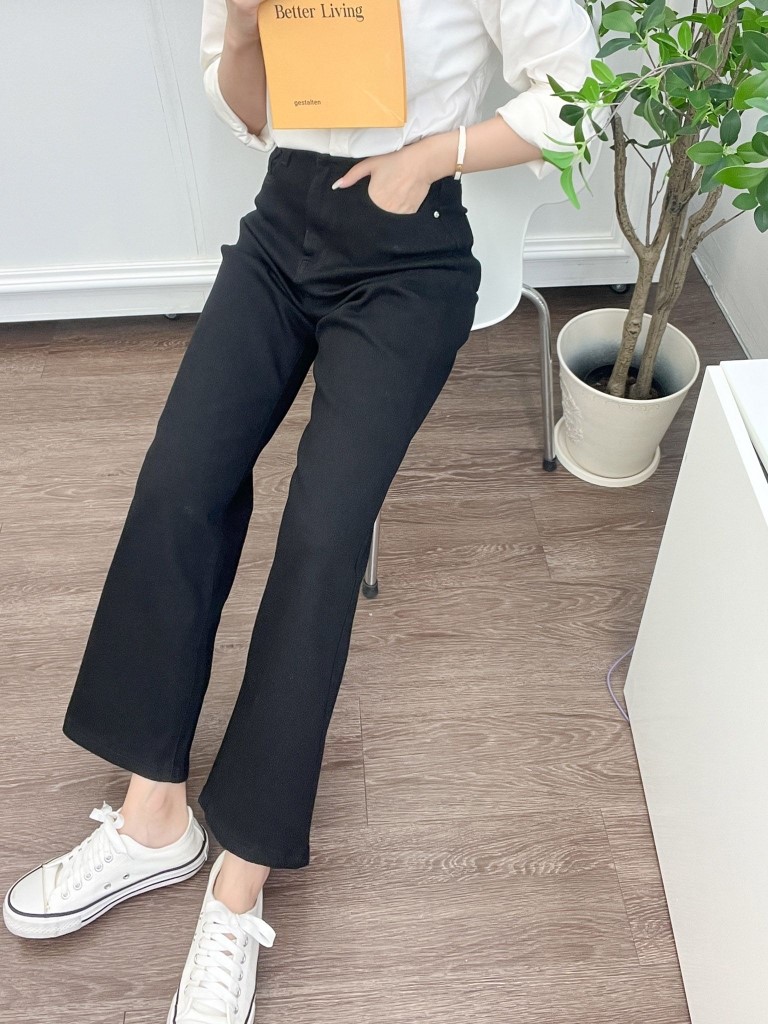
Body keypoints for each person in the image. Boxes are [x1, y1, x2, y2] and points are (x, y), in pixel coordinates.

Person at [3, 1, 599, 1021]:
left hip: (411, 255)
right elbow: (247, 107)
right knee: (178, 483)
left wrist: (437, 156)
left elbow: (580, 100)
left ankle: (239, 881)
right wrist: (242, 32)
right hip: (283, 228)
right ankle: (153, 819)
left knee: (323, 536)